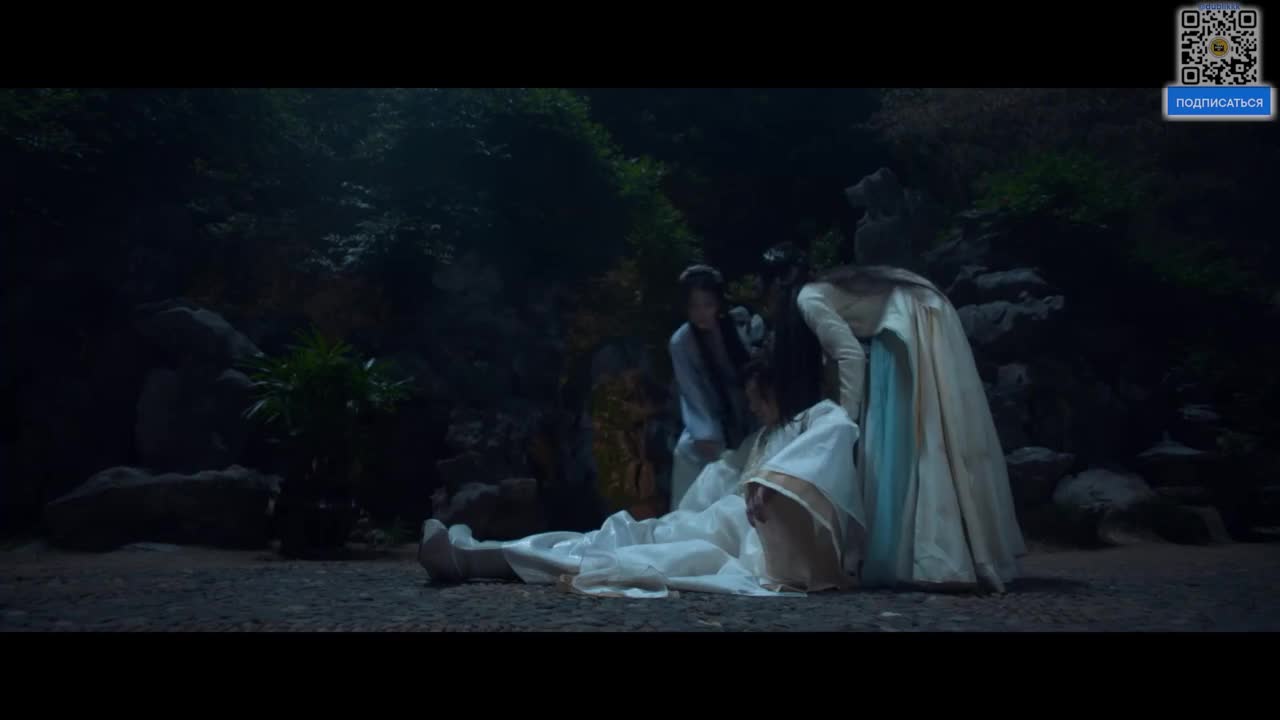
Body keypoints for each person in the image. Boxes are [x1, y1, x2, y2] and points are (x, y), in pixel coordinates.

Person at [417, 360, 866, 598]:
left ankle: (474, 559)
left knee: (632, 553)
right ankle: (478, 552)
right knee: (624, 534)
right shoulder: (761, 436)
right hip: (713, 521)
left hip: (740, 537)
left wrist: (771, 480)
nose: (753, 408)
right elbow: (722, 473)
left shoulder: (812, 418)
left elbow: (837, 429)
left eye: (758, 399)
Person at [762, 242, 1025, 593]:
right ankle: (939, 549)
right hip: (918, 310)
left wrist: (845, 420)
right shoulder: (824, 289)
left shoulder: (808, 299)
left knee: (920, 434)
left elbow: (850, 355)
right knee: (921, 430)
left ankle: (935, 555)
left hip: (911, 317)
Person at [667, 265, 755, 508]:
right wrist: (705, 432)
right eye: (694, 306)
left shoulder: (734, 327)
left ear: (718, 303)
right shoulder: (680, 341)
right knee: (687, 455)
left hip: (747, 411)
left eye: (707, 305)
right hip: (708, 419)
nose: (701, 313)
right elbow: (690, 390)